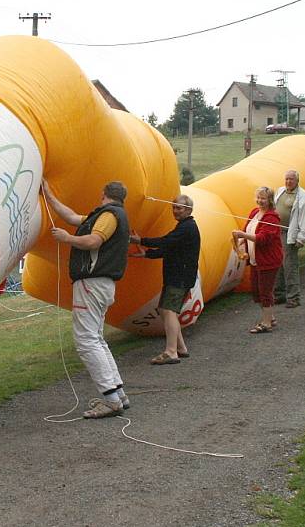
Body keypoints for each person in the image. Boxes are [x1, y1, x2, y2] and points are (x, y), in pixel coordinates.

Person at [42, 179, 130, 419]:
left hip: (92, 282)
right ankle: (118, 394)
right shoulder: (108, 215)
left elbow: (93, 241)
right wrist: (48, 194)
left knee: (86, 340)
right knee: (97, 339)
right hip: (101, 284)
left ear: (103, 194)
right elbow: (71, 217)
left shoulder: (109, 216)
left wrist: (66, 238)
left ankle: (111, 400)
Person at [129, 195, 200, 364]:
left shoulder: (187, 227)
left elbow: (165, 242)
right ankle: (180, 348)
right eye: (174, 207)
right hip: (176, 276)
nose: (175, 211)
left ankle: (171, 352)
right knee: (165, 310)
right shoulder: (183, 227)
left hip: (180, 277)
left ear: (189, 210)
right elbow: (170, 248)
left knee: (169, 311)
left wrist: (142, 240)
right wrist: (147, 253)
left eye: (179, 208)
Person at [232, 187, 283, 334]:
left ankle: (266, 323)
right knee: (256, 291)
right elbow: (247, 230)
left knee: (265, 292)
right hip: (255, 259)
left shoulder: (272, 217)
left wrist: (242, 235)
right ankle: (270, 317)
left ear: (270, 200)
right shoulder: (254, 212)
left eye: (263, 198)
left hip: (268, 260)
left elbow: (263, 239)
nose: (260, 201)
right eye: (258, 197)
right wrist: (240, 241)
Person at [274, 170, 305, 309]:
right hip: (276, 232)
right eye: (286, 179)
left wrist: (302, 238)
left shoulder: (302, 196)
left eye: (291, 179)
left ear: (297, 181)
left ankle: (293, 297)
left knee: (289, 266)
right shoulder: (280, 191)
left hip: (289, 234)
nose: (288, 181)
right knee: (277, 264)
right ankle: (278, 294)